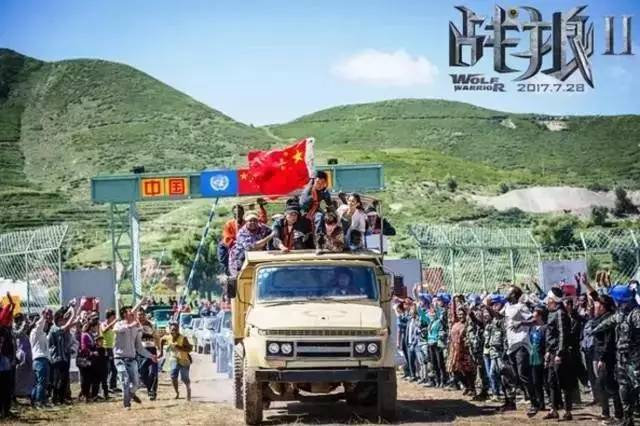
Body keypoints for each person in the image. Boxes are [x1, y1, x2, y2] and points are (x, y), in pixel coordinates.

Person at [501, 285, 538, 416]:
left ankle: (534, 403)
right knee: (513, 375)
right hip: (511, 346)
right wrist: (488, 308)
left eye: (508, 292)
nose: (506, 293)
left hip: (521, 344)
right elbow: (499, 316)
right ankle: (515, 400)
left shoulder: (521, 307)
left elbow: (534, 320)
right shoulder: (507, 306)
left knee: (523, 374)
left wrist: (521, 323)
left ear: (513, 295)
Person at [113, 304, 157, 409]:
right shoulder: (118, 325)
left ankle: (131, 394)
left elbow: (139, 347)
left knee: (136, 384)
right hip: (119, 358)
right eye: (131, 311)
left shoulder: (137, 329)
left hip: (132, 359)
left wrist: (150, 356)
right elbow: (117, 331)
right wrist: (132, 325)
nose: (134, 313)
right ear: (124, 314)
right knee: (125, 381)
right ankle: (126, 404)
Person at [544, 287, 573, 421]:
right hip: (551, 352)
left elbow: (562, 334)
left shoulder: (560, 313)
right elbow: (550, 335)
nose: (546, 302)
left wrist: (559, 353)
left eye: (549, 299)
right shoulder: (551, 313)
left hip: (559, 353)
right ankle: (553, 409)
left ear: (553, 300)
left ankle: (567, 411)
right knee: (551, 382)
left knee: (564, 382)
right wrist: (548, 351)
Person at [48, 304, 77, 405]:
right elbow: (66, 326)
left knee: (64, 380)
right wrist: (72, 313)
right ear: (58, 320)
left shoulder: (62, 330)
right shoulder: (54, 329)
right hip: (56, 358)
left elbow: (69, 325)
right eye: (62, 320)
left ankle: (61, 399)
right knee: (57, 380)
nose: (64, 321)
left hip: (63, 358)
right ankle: (54, 399)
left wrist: (72, 313)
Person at [231, 211, 273, 276]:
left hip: (257, 256)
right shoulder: (241, 233)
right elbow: (251, 247)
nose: (253, 222)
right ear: (246, 222)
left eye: (255, 220)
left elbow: (273, 232)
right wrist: (268, 238)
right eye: (250, 221)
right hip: (241, 259)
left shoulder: (262, 227)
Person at [159, 322, 193, 401]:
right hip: (174, 359)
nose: (173, 331)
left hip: (184, 360)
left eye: (175, 330)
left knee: (184, 378)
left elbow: (190, 349)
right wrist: (161, 352)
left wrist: (179, 347)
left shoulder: (183, 338)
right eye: (172, 330)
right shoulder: (168, 337)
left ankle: (188, 389)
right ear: (169, 330)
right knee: (173, 376)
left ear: (178, 330)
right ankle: (176, 393)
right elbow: (161, 340)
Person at [30, 309, 52, 408]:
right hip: (40, 359)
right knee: (41, 382)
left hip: (42, 359)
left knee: (39, 382)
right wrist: (43, 316)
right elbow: (39, 325)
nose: (46, 325)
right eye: (45, 323)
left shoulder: (42, 334)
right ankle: (39, 401)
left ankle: (35, 399)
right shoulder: (36, 331)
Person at [136, 309, 160, 400]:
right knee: (142, 372)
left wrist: (159, 349)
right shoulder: (135, 325)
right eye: (139, 315)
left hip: (151, 350)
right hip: (140, 352)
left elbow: (156, 336)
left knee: (153, 372)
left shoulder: (150, 324)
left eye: (142, 315)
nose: (141, 317)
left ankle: (153, 391)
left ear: (145, 315)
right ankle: (150, 389)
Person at [300, 171, 332, 235]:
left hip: (316, 212)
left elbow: (329, 204)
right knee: (319, 216)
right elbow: (303, 205)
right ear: (313, 181)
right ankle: (319, 235)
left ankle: (322, 235)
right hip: (304, 214)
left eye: (323, 182)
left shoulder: (323, 191)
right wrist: (311, 199)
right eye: (318, 182)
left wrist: (327, 197)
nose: (320, 185)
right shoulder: (308, 191)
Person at [529, 306, 547, 412]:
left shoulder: (545, 328)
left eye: (535, 314)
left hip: (542, 356)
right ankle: (541, 403)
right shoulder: (532, 328)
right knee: (536, 382)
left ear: (540, 316)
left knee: (546, 382)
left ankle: (555, 402)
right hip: (534, 356)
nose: (533, 316)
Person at [101, 309, 119, 393]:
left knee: (114, 368)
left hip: (112, 348)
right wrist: (113, 323)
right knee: (107, 369)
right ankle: (105, 386)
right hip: (106, 348)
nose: (114, 318)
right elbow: (104, 330)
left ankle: (113, 386)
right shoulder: (103, 324)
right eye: (113, 317)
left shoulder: (113, 326)